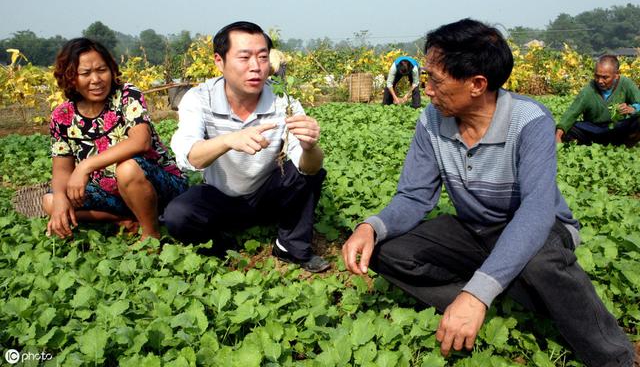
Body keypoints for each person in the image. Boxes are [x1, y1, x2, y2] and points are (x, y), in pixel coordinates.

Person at [341, 19, 635, 366]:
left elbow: (537, 211)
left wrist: (478, 292)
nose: (428, 89)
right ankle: (485, 293)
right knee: (386, 249)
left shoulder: (529, 120)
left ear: (477, 84)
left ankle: (615, 355)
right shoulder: (431, 121)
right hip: (475, 229)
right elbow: (414, 196)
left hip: (538, 227)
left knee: (541, 262)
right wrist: (369, 227)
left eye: (436, 79)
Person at [163, 21, 330, 273]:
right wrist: (228, 140)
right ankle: (221, 245)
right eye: (245, 57)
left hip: (268, 194)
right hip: (221, 196)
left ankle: (290, 246)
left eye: (263, 57)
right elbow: (190, 157)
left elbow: (309, 168)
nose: (256, 67)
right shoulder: (199, 98)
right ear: (219, 61)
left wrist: (309, 148)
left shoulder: (282, 100)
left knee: (309, 172)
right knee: (178, 215)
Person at [43, 38, 187, 240]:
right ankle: (119, 219)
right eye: (85, 73)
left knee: (126, 168)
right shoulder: (62, 115)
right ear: (70, 78)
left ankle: (150, 234)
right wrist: (59, 199)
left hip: (156, 184)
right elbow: (61, 169)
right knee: (50, 202)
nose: (96, 79)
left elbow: (141, 141)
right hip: (111, 193)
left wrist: (85, 166)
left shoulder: (126, 95)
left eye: (101, 70)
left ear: (111, 70)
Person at [555, 55, 640, 146]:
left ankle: (627, 143)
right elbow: (572, 112)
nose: (600, 81)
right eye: (597, 76)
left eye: (605, 77)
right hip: (593, 130)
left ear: (616, 75)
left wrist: (633, 109)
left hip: (617, 128)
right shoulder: (589, 90)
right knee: (568, 128)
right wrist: (558, 134)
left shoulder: (626, 84)